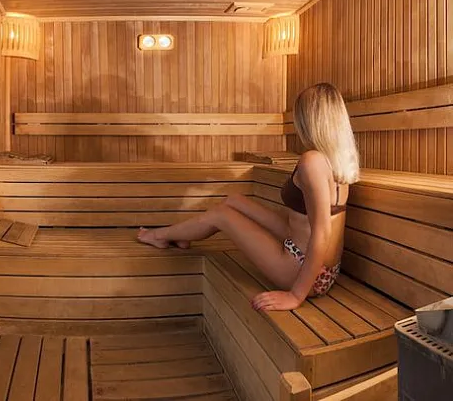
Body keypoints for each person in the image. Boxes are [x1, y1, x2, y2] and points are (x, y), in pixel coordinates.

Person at [137, 83, 359, 311]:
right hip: (324, 269)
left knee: (221, 215)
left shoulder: (312, 161)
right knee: (234, 201)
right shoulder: (338, 160)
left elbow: (322, 232)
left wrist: (295, 296)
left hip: (300, 268)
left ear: (308, 120)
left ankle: (159, 235)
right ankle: (182, 236)